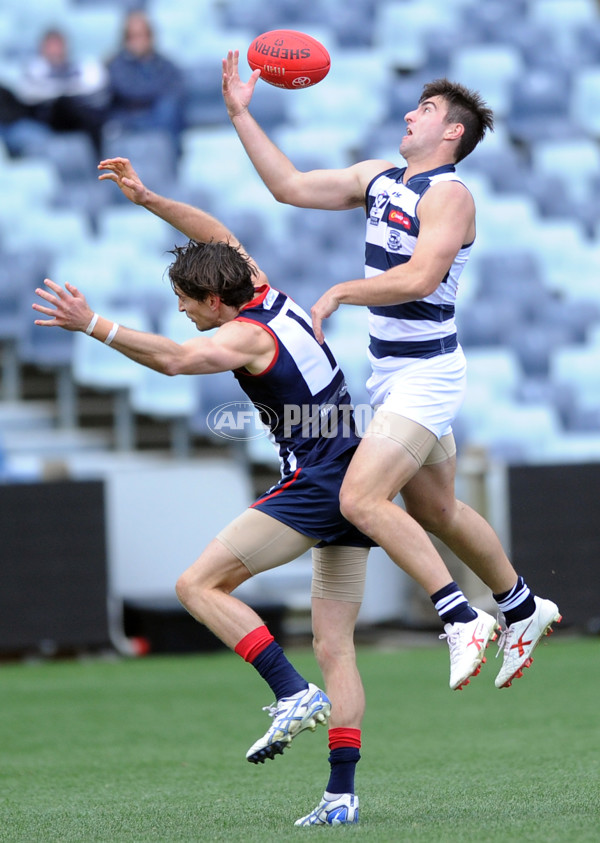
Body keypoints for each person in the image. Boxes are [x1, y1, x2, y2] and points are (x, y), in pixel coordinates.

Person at [33, 159, 379, 826]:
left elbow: (173, 360)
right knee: (337, 646)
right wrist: (148, 198)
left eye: (187, 301)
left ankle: (289, 690)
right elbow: (216, 232)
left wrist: (93, 325)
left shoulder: (244, 336)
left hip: (318, 483)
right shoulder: (261, 289)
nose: (183, 311)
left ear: (215, 301)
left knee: (197, 585)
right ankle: (341, 793)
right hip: (355, 474)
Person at [221, 52, 561, 693]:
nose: (410, 114)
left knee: (360, 498)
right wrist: (241, 114)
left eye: (426, 110)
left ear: (452, 133)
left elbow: (421, 277)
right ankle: (521, 607)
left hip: (426, 376)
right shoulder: (381, 178)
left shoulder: (451, 195)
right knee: (436, 508)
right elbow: (288, 187)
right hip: (393, 374)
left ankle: (460, 617)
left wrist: (342, 292)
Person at [3, 28, 109, 155]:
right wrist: (66, 89)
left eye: (58, 46)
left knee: (88, 110)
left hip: (78, 112)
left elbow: (95, 84)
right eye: (51, 46)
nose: (55, 51)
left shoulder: (78, 66)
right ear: (42, 49)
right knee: (64, 102)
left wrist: (60, 89)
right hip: (49, 115)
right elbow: (28, 93)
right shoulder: (34, 69)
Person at [104, 10, 184, 151]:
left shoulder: (166, 65)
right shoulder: (113, 64)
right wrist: (153, 93)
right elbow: (126, 90)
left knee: (170, 108)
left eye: (141, 35)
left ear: (150, 37)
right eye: (131, 36)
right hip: (125, 120)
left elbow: (175, 90)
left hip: (158, 119)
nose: (137, 41)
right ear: (124, 39)